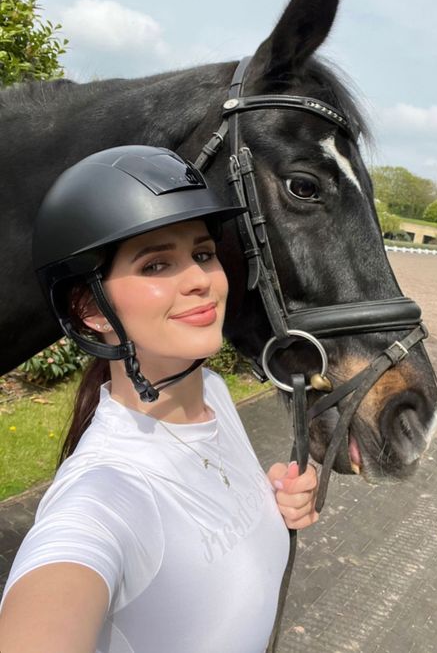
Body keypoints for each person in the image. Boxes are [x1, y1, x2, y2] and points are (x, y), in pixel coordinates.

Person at [0, 145, 318, 653]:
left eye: (202, 254)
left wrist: (266, 502)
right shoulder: (102, 496)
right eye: (155, 265)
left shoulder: (212, 394)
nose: (199, 280)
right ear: (89, 308)